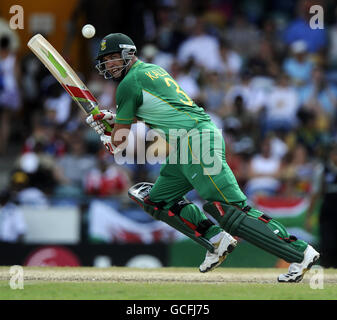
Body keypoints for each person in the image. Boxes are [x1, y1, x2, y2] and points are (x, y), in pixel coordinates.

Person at [86, 33, 320, 282]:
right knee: (157, 200)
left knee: (230, 209)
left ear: (128, 54)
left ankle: (300, 252)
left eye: (113, 57)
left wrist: (107, 138)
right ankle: (216, 240)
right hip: (185, 144)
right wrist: (113, 120)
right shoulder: (151, 70)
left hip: (195, 140)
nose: (109, 64)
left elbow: (120, 143)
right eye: (106, 60)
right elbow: (155, 109)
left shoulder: (127, 84)